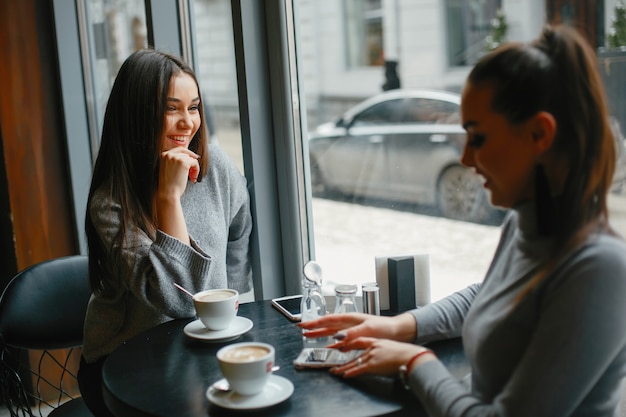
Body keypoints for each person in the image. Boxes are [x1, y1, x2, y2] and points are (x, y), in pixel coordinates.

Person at [300, 24, 626, 417]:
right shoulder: (523, 224)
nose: (467, 159)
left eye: (478, 137)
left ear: (540, 133)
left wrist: (414, 362)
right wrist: (396, 325)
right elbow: (488, 294)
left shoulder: (600, 270)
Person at [77, 49, 252, 416]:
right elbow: (181, 301)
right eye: (171, 108)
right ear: (137, 115)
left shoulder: (214, 166)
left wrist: (227, 302)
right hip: (127, 362)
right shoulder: (111, 204)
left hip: (202, 351)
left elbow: (239, 226)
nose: (187, 123)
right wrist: (168, 197)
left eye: (194, 107)